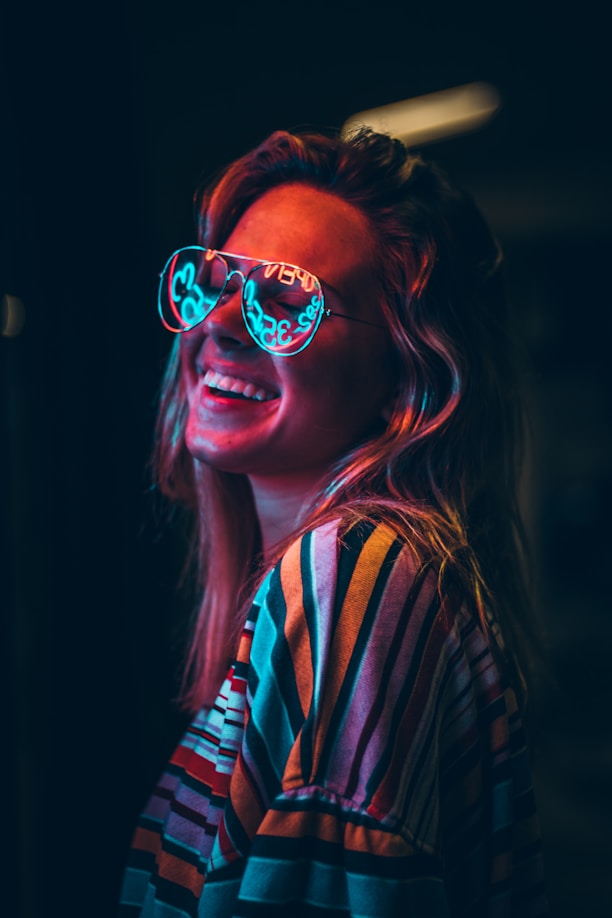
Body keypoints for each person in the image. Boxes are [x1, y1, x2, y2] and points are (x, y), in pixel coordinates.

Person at [118, 127, 547, 916]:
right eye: (212, 283)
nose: (220, 324)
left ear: (408, 379)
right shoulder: (333, 582)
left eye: (284, 301)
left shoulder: (353, 574)